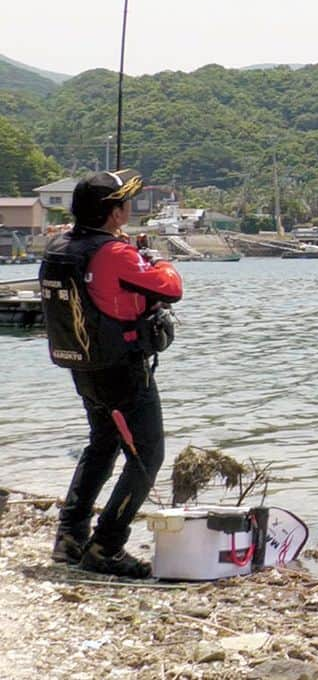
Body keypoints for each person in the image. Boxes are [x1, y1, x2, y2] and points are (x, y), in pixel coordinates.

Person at [39, 170, 183, 577]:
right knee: (147, 455)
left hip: (83, 365)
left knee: (102, 445)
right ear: (114, 213)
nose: (129, 210)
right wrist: (159, 260)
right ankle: (107, 545)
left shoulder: (61, 246)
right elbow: (170, 288)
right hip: (122, 368)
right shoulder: (115, 254)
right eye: (125, 204)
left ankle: (70, 537)